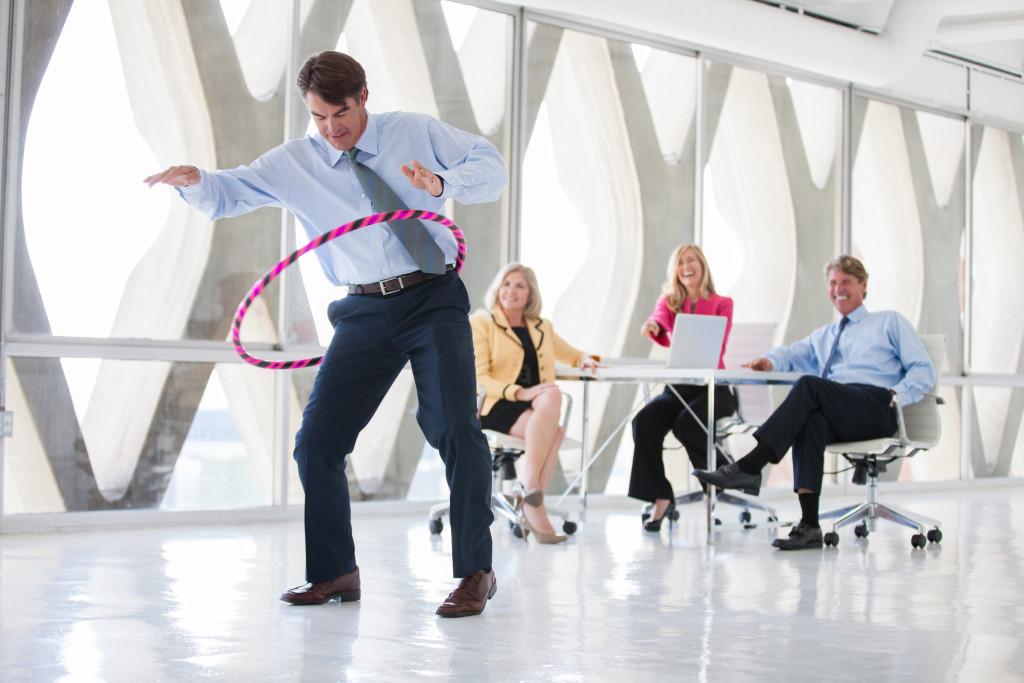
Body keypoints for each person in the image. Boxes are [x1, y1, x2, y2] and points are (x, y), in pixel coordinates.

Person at [144, 51, 509, 616]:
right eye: (318, 117)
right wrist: (194, 181)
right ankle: (336, 572)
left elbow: (492, 170)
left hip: (431, 297)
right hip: (362, 311)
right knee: (316, 442)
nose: (331, 129)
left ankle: (475, 572)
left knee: (454, 428)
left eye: (339, 113)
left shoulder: (413, 131)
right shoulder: (296, 162)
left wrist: (441, 180)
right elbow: (227, 194)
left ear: (363, 96)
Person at [694, 255, 935, 550]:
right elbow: (795, 354)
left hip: (878, 406)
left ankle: (750, 465)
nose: (838, 289)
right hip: (841, 409)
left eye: (846, 282)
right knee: (811, 421)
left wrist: (897, 396)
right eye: (833, 283)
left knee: (809, 386)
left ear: (863, 285)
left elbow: (924, 370)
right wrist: (769, 361)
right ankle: (809, 525)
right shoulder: (826, 335)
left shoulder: (888, 322)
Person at [470, 263, 601, 544]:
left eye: (520, 285)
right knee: (554, 416)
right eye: (506, 283)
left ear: (530, 294)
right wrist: (520, 393)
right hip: (499, 404)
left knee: (554, 418)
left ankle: (531, 497)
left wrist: (585, 359)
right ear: (497, 289)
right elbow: (481, 377)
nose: (511, 290)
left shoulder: (541, 327)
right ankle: (532, 496)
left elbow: (573, 354)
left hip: (535, 408)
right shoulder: (483, 323)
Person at [627, 244, 737, 532]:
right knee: (644, 421)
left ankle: (722, 476)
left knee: (687, 424)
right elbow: (659, 317)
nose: (686, 266)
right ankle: (661, 495)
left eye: (691, 260)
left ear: (702, 265)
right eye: (680, 262)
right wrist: (653, 325)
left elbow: (719, 341)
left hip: (716, 387)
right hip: (679, 388)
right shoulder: (670, 301)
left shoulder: (723, 303)